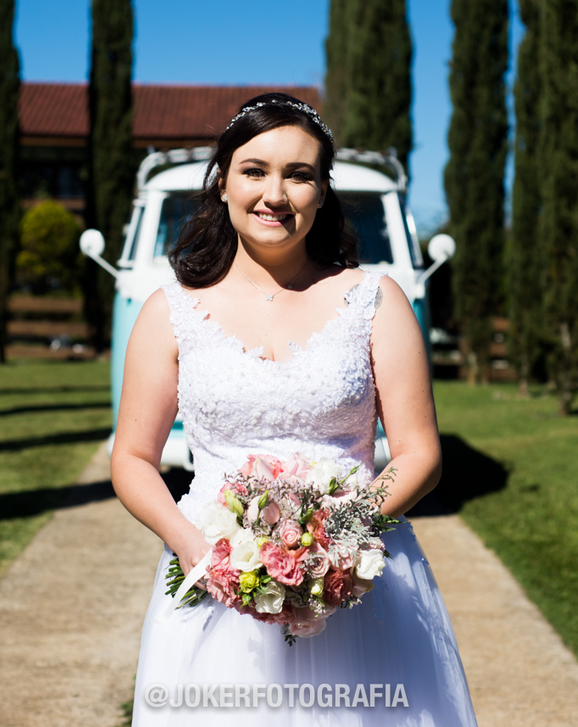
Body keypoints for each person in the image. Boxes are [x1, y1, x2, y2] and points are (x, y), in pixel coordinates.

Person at [111, 93, 478, 726]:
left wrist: (335, 544)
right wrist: (197, 551)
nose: (274, 194)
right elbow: (133, 458)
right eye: (255, 171)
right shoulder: (167, 310)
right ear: (223, 181)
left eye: (299, 175)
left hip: (361, 583)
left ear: (322, 191)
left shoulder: (376, 300)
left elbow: (420, 453)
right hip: (217, 582)